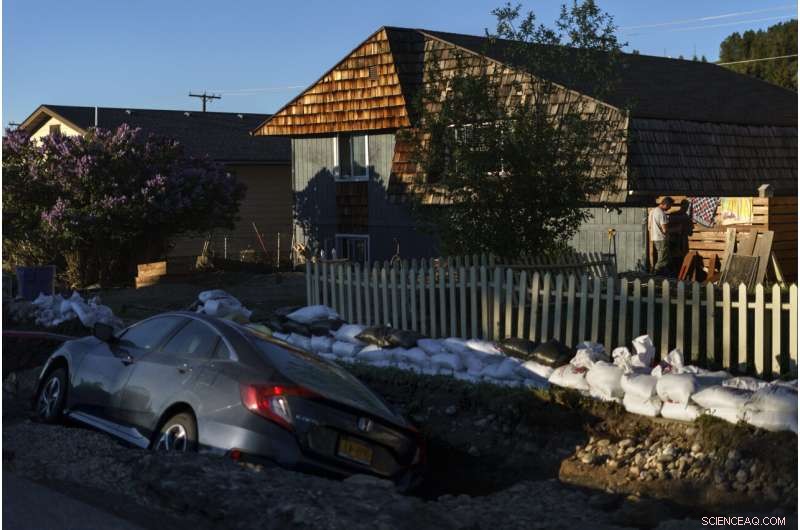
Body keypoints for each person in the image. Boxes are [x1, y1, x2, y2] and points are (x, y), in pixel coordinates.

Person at [649, 197, 674, 275]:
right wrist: (676, 229)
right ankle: (654, 274)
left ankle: (667, 273)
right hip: (661, 238)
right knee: (662, 259)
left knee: (665, 257)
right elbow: (665, 230)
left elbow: (649, 226)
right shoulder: (661, 213)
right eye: (670, 206)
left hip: (655, 238)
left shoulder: (652, 211)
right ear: (666, 204)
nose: (670, 208)